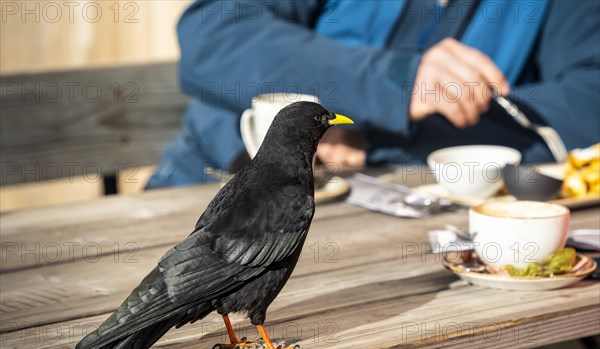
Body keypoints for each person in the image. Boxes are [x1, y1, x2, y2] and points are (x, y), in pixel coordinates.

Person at [146, 0, 600, 189]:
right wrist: (393, 82)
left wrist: (384, 143)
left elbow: (589, 98)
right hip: (211, 193)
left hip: (410, 226)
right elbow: (215, 37)